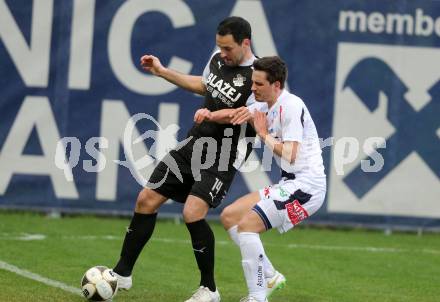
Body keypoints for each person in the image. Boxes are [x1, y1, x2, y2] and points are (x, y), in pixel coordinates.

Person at [110, 16, 277, 302]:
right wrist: (163, 72)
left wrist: (212, 115)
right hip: (194, 142)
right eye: (219, 47)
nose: (222, 53)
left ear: (245, 43)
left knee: (192, 212)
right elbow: (204, 86)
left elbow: (242, 116)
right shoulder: (217, 59)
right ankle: (122, 273)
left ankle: (209, 289)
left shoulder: (258, 77)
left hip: (224, 154)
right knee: (146, 199)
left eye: (227, 48)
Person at [222, 56, 326, 302]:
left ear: (276, 85)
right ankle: (269, 275)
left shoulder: (291, 105)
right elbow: (236, 114)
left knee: (248, 226)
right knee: (230, 216)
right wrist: (207, 114)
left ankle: (258, 297)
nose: (253, 88)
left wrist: (263, 134)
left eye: (259, 84)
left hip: (307, 187)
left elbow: (290, 154)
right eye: (253, 82)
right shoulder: (263, 105)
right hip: (290, 184)